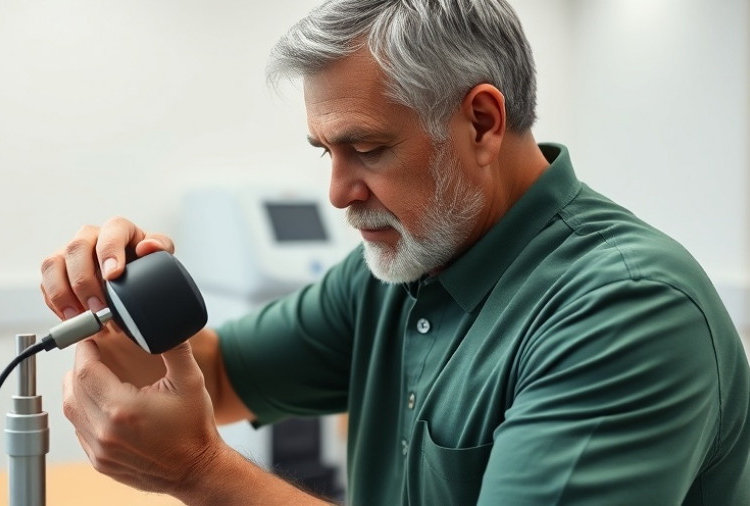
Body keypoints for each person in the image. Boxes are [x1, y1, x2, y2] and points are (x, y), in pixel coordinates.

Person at [39, 1, 750, 504]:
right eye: (326, 151)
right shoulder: (396, 269)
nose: (338, 193)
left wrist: (202, 471)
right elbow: (216, 378)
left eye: (367, 149)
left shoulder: (626, 310)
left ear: (481, 122)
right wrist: (119, 301)